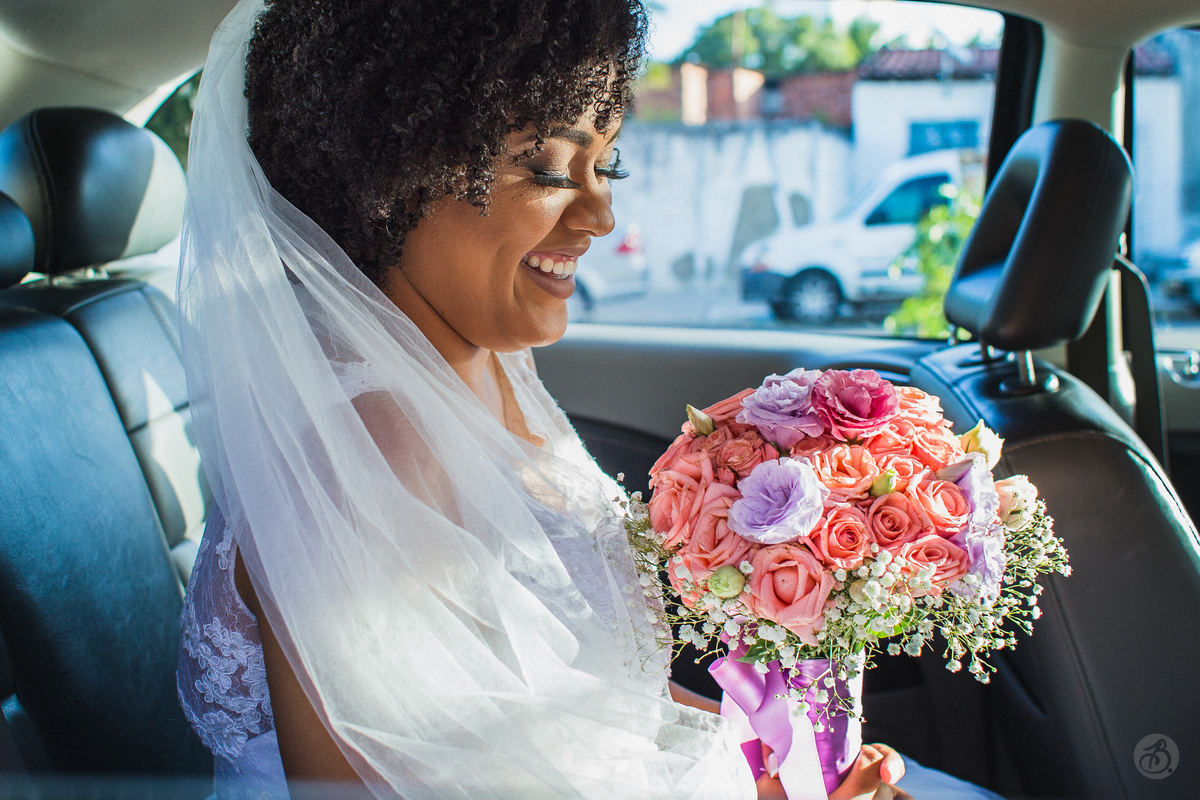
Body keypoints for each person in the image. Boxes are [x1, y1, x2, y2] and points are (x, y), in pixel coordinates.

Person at [175, 1, 1000, 798]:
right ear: (390, 169)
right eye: (547, 168)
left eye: (605, 166)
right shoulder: (364, 446)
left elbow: (579, 701)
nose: (602, 214)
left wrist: (764, 764)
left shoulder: (485, 370)